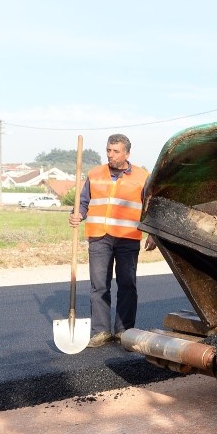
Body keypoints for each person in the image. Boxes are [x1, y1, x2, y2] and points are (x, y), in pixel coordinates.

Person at [69, 133, 155, 348]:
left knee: (127, 284)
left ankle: (124, 331)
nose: (111, 155)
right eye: (108, 150)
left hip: (127, 238)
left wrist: (153, 233)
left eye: (116, 151)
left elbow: (150, 208)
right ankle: (101, 332)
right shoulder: (95, 174)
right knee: (99, 285)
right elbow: (83, 202)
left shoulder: (143, 177)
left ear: (127, 153)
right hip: (99, 237)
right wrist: (77, 213)